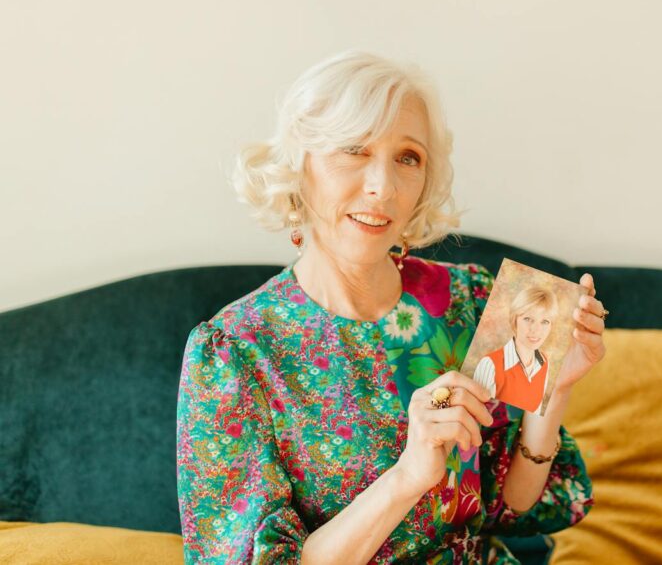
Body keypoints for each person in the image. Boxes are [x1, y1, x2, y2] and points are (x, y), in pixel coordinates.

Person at [175, 50, 610, 564]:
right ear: (300, 167)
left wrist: (553, 390)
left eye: (408, 157)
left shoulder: (465, 299)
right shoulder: (235, 352)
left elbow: (509, 506)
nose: (383, 187)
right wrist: (407, 476)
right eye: (354, 150)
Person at [473, 286, 558, 415]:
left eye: (545, 322)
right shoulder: (490, 364)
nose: (536, 329)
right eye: (528, 319)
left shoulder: (544, 363)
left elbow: (535, 415)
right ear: (515, 320)